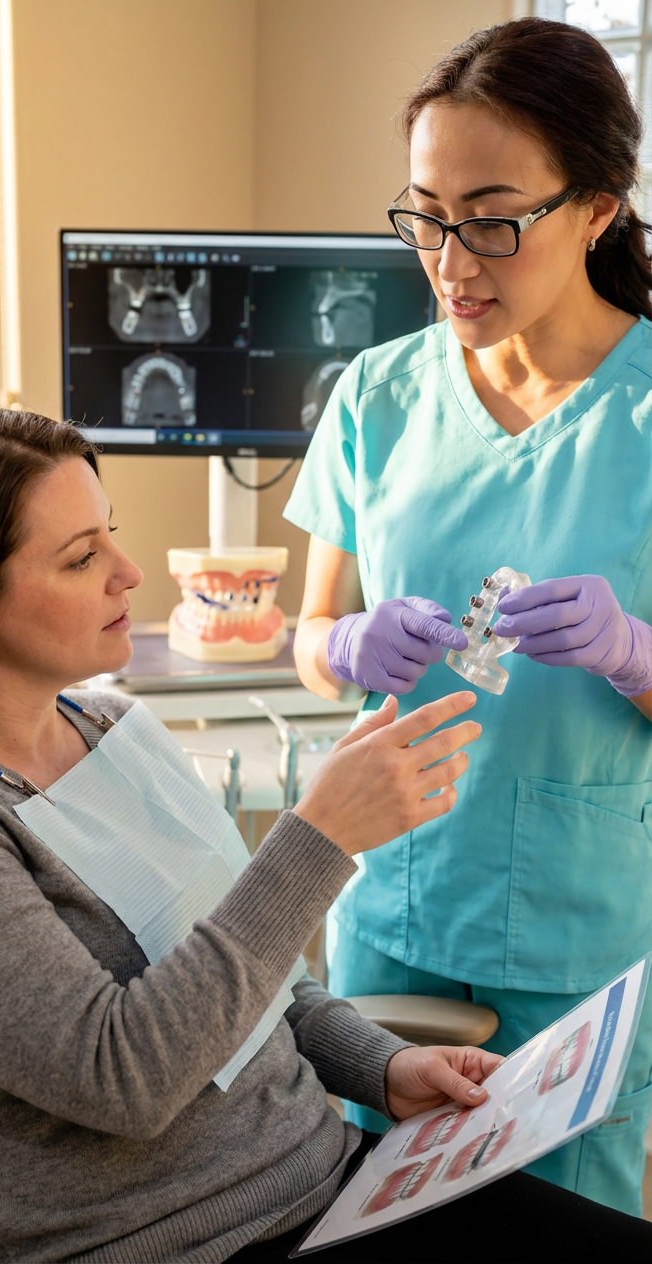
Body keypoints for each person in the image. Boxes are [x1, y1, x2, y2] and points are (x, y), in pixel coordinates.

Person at [0, 407, 650, 1262]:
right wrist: (318, 840)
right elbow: (123, 1078)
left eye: (111, 535)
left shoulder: (109, 727)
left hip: (327, 1188)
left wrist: (383, 1068)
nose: (129, 573)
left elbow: (255, 981)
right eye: (81, 558)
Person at [285, 15, 652, 1218]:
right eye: (426, 213)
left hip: (579, 928)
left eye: (492, 218)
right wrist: (344, 645)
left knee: (559, 1223)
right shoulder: (374, 394)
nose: (450, 258)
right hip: (386, 902)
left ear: (596, 208)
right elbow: (307, 636)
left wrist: (630, 654)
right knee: (360, 1214)